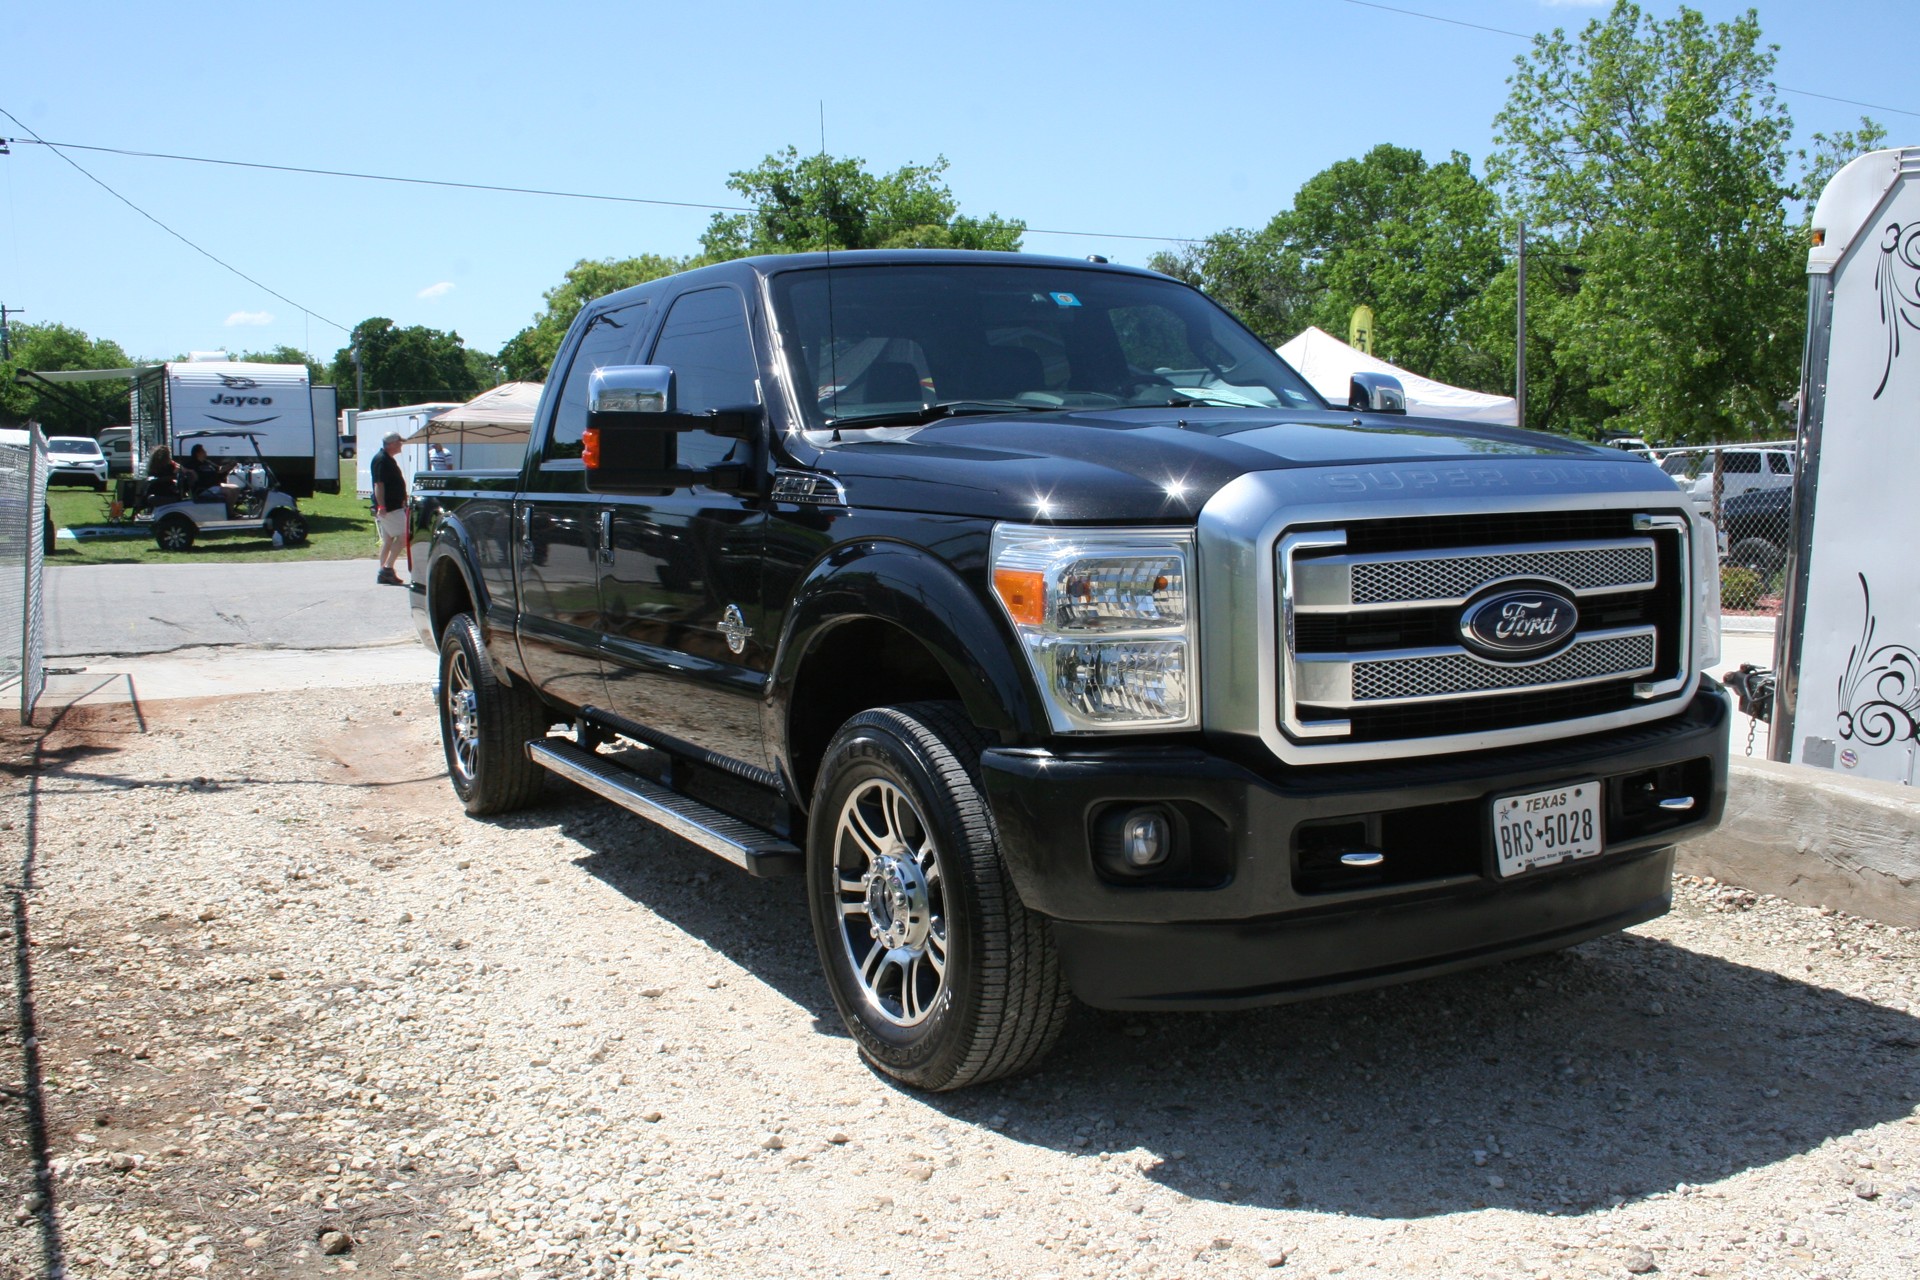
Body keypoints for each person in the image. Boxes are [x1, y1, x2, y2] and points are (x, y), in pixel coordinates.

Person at [371, 431, 409, 586]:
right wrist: (381, 506)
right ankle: (387, 569)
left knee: (388, 540)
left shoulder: (387, 459)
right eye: (399, 442)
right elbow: (379, 485)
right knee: (404, 536)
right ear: (391, 444)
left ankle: (383, 572)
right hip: (389, 507)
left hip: (391, 506)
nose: (401, 445)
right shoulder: (381, 460)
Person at [183, 443, 243, 508]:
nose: (206, 452)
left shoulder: (207, 462)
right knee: (228, 492)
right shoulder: (192, 464)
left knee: (236, 488)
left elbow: (219, 470)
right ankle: (228, 513)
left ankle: (230, 510)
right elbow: (183, 469)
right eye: (203, 451)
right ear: (198, 453)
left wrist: (230, 466)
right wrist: (190, 472)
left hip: (215, 485)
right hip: (204, 488)